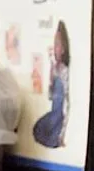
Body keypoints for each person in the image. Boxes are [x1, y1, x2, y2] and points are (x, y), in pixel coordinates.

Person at [33, 20, 70, 148]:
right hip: (52, 114)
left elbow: (66, 104)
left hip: (59, 117)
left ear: (64, 49)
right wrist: (50, 75)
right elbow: (50, 97)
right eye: (54, 44)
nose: (55, 48)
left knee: (51, 137)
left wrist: (63, 132)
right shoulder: (55, 68)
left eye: (58, 45)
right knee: (37, 131)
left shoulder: (65, 71)